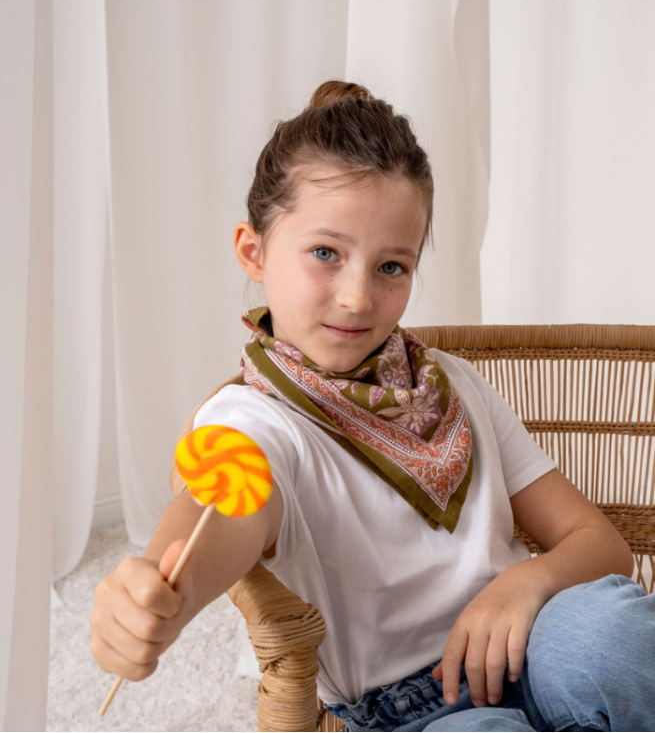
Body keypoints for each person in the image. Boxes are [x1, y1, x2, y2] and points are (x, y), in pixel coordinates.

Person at [90, 81, 655, 732]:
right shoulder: (255, 421)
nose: (357, 297)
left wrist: (525, 582)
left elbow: (600, 546)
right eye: (324, 254)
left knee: (609, 634)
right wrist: (157, 587)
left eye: (391, 267)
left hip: (530, 639)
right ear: (254, 252)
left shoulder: (455, 384)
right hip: (408, 711)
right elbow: (216, 509)